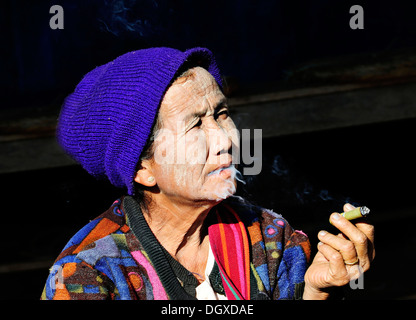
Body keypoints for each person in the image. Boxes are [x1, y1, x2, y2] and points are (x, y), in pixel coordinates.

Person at [41, 47, 375, 300]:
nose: (227, 139)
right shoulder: (88, 274)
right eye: (196, 124)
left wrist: (316, 290)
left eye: (222, 113)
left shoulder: (269, 237)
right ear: (144, 169)